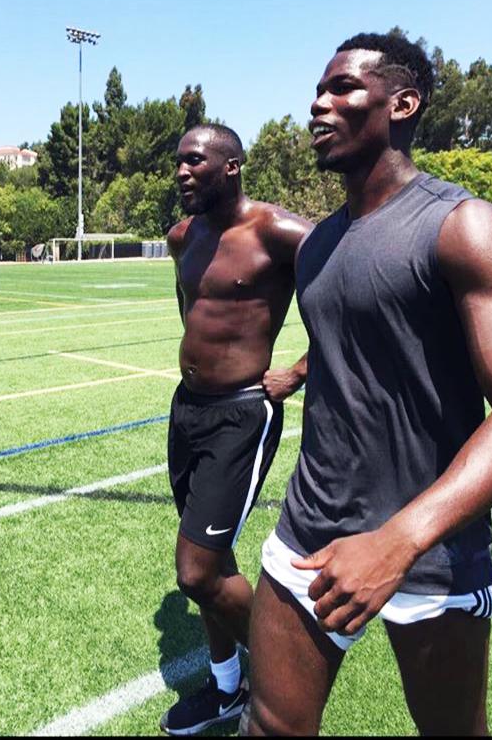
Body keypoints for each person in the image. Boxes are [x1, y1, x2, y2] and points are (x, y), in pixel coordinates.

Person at [247, 32, 492, 736]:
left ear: (403, 103)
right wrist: (297, 372)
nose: (318, 103)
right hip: (309, 531)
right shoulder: (319, 242)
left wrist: (399, 539)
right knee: (269, 726)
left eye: (343, 89)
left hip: (430, 552)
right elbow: (348, 342)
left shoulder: (462, 226)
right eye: (317, 91)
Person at [160, 123, 311, 735]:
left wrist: (299, 371)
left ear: (232, 167)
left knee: (195, 572)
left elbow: (353, 299)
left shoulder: (280, 232)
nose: (181, 171)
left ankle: (296, 653)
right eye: (177, 161)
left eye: (194, 160)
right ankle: (227, 689)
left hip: (241, 415)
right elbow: (190, 308)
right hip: (187, 409)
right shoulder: (182, 237)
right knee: (211, 565)